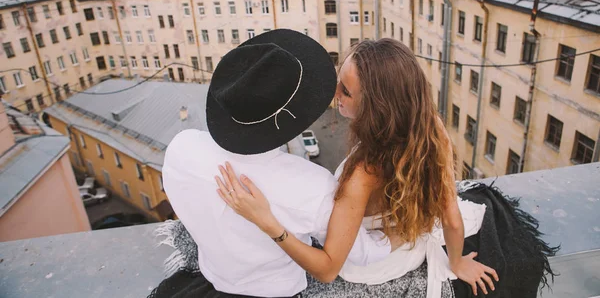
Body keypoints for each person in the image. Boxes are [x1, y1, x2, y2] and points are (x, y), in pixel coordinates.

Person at [215, 39, 500, 298]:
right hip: (410, 243)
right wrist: (457, 261)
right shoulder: (430, 127)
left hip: (366, 264)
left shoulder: (363, 173)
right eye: (339, 81)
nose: (335, 93)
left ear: (376, 107)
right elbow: (451, 219)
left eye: (346, 92)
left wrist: (267, 223)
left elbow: (327, 270)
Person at [156, 30, 397, 298]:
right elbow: (359, 253)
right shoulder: (311, 186)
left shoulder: (182, 147)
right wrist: (406, 237)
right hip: (276, 292)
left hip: (213, 278)